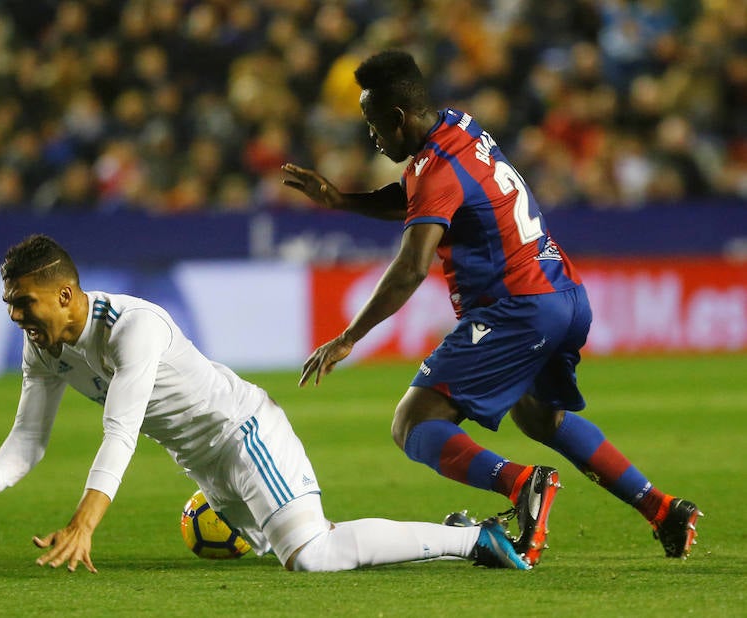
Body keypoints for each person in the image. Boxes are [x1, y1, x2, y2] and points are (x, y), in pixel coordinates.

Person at [281, 50, 701, 564]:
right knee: (540, 417)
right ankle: (663, 509)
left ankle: (523, 485)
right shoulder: (460, 128)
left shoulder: (435, 169)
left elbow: (413, 266)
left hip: (516, 307)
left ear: (398, 117)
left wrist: (349, 335)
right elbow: (423, 198)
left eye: (373, 124)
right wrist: (343, 201)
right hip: (562, 294)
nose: (371, 137)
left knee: (413, 422)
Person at [0, 234, 530, 573]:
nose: (15, 316)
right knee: (290, 545)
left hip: (243, 433)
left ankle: (473, 540)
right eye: (9, 303)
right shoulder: (46, 348)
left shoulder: (134, 327)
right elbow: (29, 437)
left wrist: (85, 523)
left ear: (64, 294)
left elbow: (122, 430)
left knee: (311, 555)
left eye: (23, 303)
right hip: (203, 463)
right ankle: (438, 531)